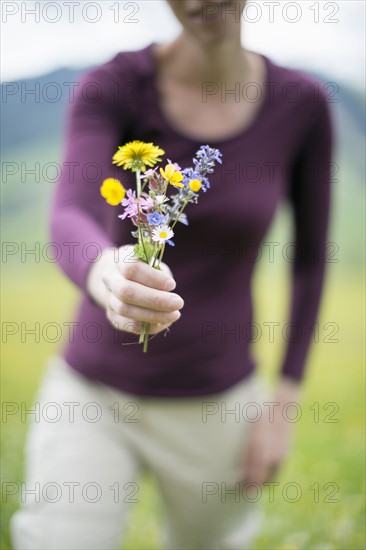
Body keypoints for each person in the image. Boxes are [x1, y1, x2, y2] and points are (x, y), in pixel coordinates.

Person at [10, 0, 333, 548]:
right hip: (93, 394)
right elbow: (70, 214)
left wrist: (283, 405)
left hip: (218, 404)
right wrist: (104, 272)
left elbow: (309, 259)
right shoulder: (114, 86)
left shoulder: (300, 105)